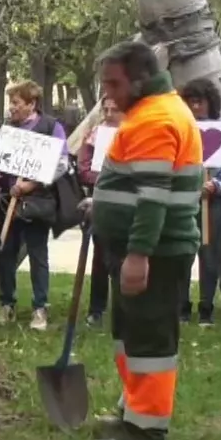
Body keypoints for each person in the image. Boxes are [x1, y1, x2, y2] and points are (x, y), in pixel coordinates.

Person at [89, 41, 202, 440]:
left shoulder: (156, 119)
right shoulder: (151, 112)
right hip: (147, 247)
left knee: (150, 341)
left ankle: (147, 432)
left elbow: (153, 197)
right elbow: (141, 182)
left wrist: (138, 255)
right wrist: (103, 203)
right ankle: (133, 413)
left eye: (114, 84)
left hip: (156, 252)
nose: (108, 94)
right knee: (131, 334)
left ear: (140, 79)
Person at [0, 80, 67, 331]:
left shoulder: (51, 127)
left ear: (31, 104)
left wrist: (31, 185)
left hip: (36, 203)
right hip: (7, 203)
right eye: (10, 103)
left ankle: (40, 308)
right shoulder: (8, 129)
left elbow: (61, 164)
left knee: (37, 255)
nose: (11, 108)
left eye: (16, 103)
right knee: (6, 254)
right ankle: (6, 304)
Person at [177, 80, 221, 326]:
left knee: (210, 254)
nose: (196, 107)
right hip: (184, 200)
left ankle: (206, 308)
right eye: (191, 102)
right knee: (182, 252)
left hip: (214, 202)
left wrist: (217, 184)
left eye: (200, 102)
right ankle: (181, 307)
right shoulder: (180, 128)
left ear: (210, 102)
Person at [81, 99, 124, 326]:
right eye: (105, 109)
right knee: (100, 258)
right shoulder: (95, 135)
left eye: (114, 109)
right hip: (98, 201)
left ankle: (122, 309)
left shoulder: (133, 134)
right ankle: (96, 309)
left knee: (122, 259)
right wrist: (104, 178)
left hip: (126, 203)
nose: (108, 113)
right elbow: (84, 167)